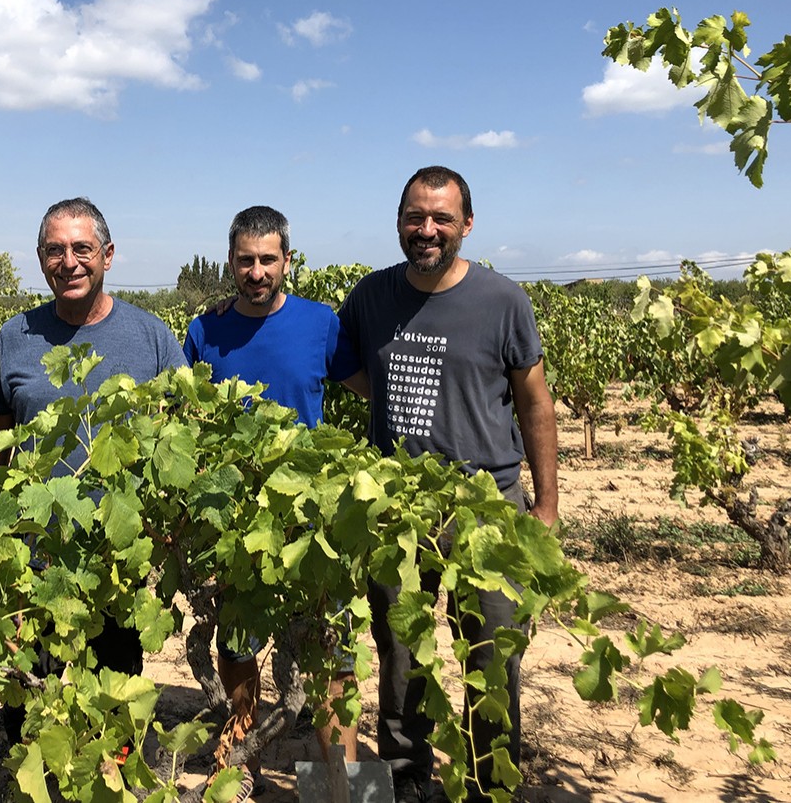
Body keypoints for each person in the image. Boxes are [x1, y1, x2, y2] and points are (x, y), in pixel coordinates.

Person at [337, 166, 558, 803]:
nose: (426, 229)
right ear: (399, 221)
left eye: (440, 218)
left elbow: (535, 403)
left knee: (490, 662)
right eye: (415, 216)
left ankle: (492, 788)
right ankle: (407, 789)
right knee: (401, 659)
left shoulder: (503, 300)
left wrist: (544, 506)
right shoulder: (371, 297)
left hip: (488, 508)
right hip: (397, 509)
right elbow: (345, 361)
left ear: (466, 224)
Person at [0, 196, 186, 741]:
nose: (68, 262)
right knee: (26, 709)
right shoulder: (13, 337)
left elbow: (182, 437)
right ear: (41, 259)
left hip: (116, 565)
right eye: (54, 250)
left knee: (114, 708)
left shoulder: (151, 338)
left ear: (108, 255)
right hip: (32, 565)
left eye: (82, 249)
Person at [182, 206, 367, 795]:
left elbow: (368, 390)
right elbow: (184, 418)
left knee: (331, 657)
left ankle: (337, 785)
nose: (256, 271)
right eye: (245, 260)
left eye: (268, 259)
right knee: (237, 645)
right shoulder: (203, 332)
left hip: (314, 521)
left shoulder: (321, 324)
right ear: (231, 263)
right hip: (236, 520)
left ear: (287, 260)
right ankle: (245, 770)